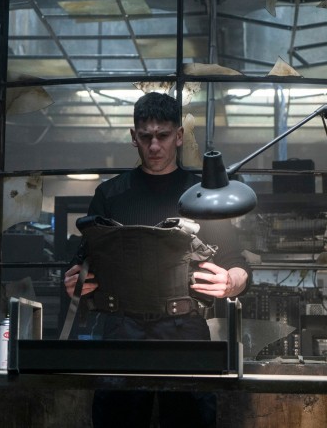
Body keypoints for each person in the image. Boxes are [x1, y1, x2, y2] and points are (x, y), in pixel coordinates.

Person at [64, 92, 250, 427]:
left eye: (162, 136)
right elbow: (82, 263)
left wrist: (231, 281)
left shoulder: (203, 195)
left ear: (178, 136)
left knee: (191, 421)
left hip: (184, 329)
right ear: (133, 137)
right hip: (121, 328)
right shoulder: (110, 194)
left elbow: (238, 263)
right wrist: (75, 281)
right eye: (145, 136)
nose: (154, 146)